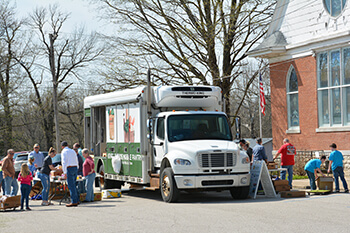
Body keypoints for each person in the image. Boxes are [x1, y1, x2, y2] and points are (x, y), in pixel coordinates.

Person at [61, 141, 79, 207]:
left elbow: (64, 162)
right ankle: (77, 199)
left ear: (62, 147)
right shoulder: (72, 151)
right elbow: (76, 159)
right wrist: (77, 167)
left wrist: (64, 172)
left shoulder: (64, 152)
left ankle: (74, 201)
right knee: (74, 185)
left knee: (71, 186)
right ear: (68, 145)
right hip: (75, 167)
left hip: (69, 168)